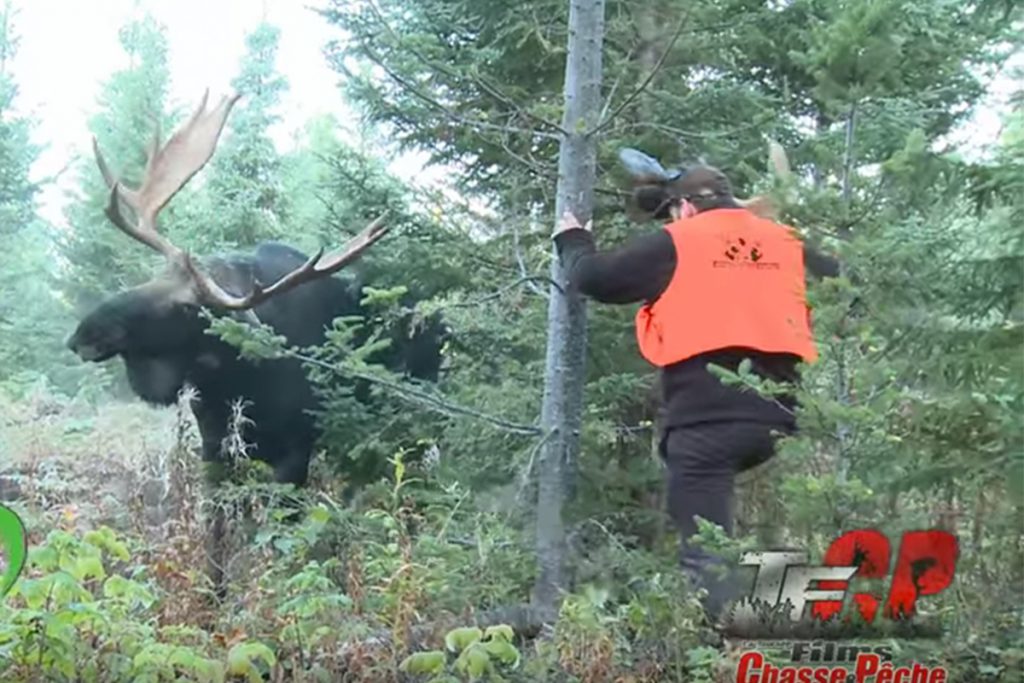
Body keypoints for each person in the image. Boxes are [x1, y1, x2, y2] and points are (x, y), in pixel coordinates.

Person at [553, 163, 839, 623]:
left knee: (706, 553)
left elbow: (594, 279)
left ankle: (723, 649)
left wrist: (572, 239)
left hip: (704, 423)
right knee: (736, 532)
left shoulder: (681, 240)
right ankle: (781, 615)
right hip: (778, 420)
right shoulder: (785, 241)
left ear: (685, 207)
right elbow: (844, 284)